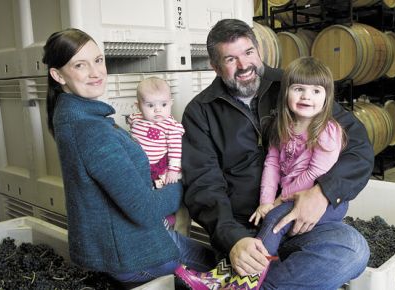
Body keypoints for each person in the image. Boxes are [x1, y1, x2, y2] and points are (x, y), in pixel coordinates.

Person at [178, 19, 374, 290]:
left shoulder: (294, 85)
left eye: (248, 53)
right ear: (214, 66)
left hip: (303, 223)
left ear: (260, 51)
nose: (244, 65)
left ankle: (235, 284)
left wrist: (323, 193)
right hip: (245, 230)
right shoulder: (200, 111)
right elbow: (203, 185)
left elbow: (358, 147)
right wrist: (233, 239)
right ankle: (249, 276)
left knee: (352, 250)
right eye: (230, 59)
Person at [42, 28, 215, 289]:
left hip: (120, 247)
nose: (96, 72)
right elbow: (145, 210)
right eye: (80, 65)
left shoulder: (70, 116)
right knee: (227, 265)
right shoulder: (90, 131)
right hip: (137, 254)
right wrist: (179, 181)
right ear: (58, 75)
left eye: (98, 60)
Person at [128, 77, 185, 229]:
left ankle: (166, 219)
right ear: (138, 106)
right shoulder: (136, 119)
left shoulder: (171, 127)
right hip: (139, 166)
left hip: (159, 168)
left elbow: (175, 149)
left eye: (164, 104)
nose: (158, 110)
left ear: (171, 103)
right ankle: (141, 222)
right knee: (140, 195)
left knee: (159, 194)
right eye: (150, 105)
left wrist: (173, 170)